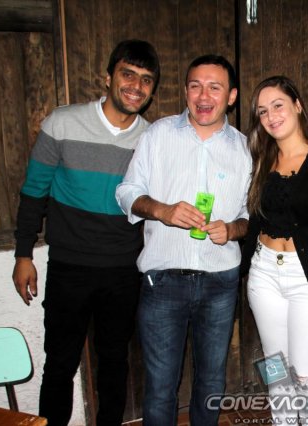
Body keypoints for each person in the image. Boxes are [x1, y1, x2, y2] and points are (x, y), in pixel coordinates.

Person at [12, 40, 160, 426]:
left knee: (114, 361)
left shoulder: (152, 139)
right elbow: (34, 191)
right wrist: (23, 254)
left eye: (146, 80)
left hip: (123, 269)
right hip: (69, 266)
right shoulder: (62, 123)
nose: (136, 86)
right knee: (60, 364)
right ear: (108, 77)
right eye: (128, 74)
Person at [115, 54, 251, 426]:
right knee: (160, 386)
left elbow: (249, 216)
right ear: (186, 91)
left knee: (211, 382)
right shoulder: (158, 135)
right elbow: (126, 191)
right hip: (163, 281)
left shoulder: (245, 148)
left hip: (220, 281)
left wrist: (232, 229)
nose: (203, 96)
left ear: (231, 96)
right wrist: (162, 210)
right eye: (195, 86)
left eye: (214, 87)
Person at [240, 76, 308, 425]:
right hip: (264, 274)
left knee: (305, 374)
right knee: (276, 369)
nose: (271, 116)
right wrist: (243, 269)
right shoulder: (261, 160)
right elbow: (254, 221)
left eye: (278, 106)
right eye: (262, 111)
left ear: (297, 105)